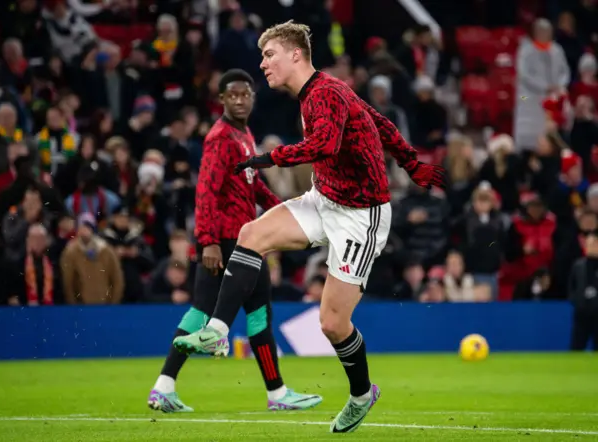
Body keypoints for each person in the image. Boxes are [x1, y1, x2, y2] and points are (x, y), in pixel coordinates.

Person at [173, 22, 446, 433]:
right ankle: (216, 331)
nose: (263, 63)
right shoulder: (316, 94)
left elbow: (324, 145)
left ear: (295, 55)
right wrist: (411, 163)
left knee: (332, 324)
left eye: (269, 55)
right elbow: (382, 124)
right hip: (324, 199)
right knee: (251, 235)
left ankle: (360, 394)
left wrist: (269, 158)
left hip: (361, 214)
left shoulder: (327, 93)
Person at [148, 69, 322, 413]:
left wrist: (285, 209)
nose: (240, 99)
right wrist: (208, 242)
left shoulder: (243, 135)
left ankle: (164, 387)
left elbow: (252, 184)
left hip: (242, 238)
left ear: (253, 98)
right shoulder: (220, 138)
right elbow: (206, 191)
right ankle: (277, 394)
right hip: (229, 241)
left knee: (208, 314)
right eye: (234, 95)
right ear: (222, 99)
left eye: (246, 94)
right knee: (249, 315)